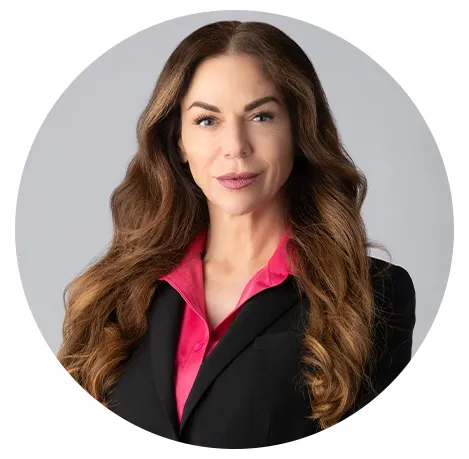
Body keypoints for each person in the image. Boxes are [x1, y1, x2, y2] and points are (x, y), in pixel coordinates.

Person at [57, 20, 416, 448]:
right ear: (178, 142)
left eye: (261, 116)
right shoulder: (114, 294)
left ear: (298, 131)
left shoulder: (373, 296)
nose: (235, 146)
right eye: (207, 120)